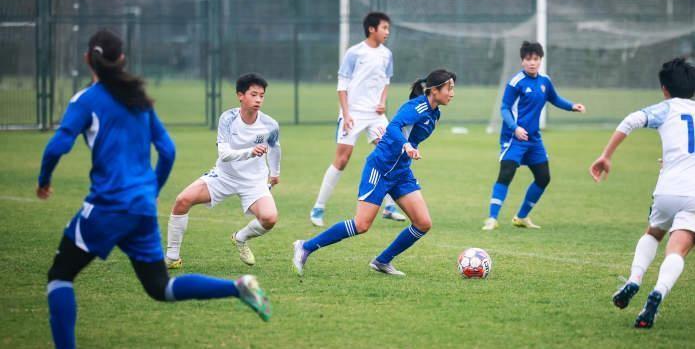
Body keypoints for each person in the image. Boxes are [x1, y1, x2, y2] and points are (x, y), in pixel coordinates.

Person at [38, 30, 271, 349]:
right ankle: (237, 287)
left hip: (107, 207)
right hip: (141, 208)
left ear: (87, 59)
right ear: (122, 59)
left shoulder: (86, 100)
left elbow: (57, 146)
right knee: (160, 288)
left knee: (60, 276)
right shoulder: (138, 99)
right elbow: (168, 150)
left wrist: (44, 180)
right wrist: (153, 188)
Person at [293, 69, 456, 277]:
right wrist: (406, 145)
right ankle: (305, 246)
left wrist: (408, 147)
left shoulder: (435, 113)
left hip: (401, 172)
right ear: (434, 90)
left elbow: (409, 135)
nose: (452, 94)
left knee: (423, 223)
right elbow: (394, 126)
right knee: (361, 224)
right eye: (449, 88)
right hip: (380, 169)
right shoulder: (417, 107)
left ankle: (382, 261)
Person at [590, 57, 695, 329]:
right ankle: (658, 291)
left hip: (667, 188)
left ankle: (634, 279)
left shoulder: (666, 108)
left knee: (653, 233)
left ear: (664, 89)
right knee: (678, 248)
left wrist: (606, 155)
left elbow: (631, 120)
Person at [166, 73, 280, 268]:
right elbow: (224, 154)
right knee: (182, 200)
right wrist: (250, 152)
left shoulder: (270, 124)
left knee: (270, 218)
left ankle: (240, 238)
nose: (258, 100)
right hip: (224, 176)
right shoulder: (228, 118)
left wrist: (275, 173)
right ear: (240, 95)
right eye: (253, 94)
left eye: (262, 96)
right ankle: (172, 258)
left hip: (253, 181)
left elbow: (275, 148)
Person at [309, 11, 406, 227]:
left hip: (376, 115)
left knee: (391, 154)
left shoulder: (387, 54)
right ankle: (318, 208)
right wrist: (346, 114)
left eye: (388, 28)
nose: (387, 32)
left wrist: (382, 102)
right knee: (342, 160)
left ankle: (389, 207)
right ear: (372, 29)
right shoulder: (354, 53)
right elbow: (342, 86)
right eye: (384, 28)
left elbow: (386, 81)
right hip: (353, 113)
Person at [482, 41, 585, 231]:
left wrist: (572, 106)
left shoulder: (545, 81)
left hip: (534, 139)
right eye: (528, 59)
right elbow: (504, 108)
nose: (532, 63)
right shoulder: (516, 83)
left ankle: (521, 217)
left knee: (543, 177)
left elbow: (554, 98)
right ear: (522, 61)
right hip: (514, 138)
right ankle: (492, 219)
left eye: (536, 59)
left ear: (540, 60)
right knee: (506, 174)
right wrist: (515, 128)